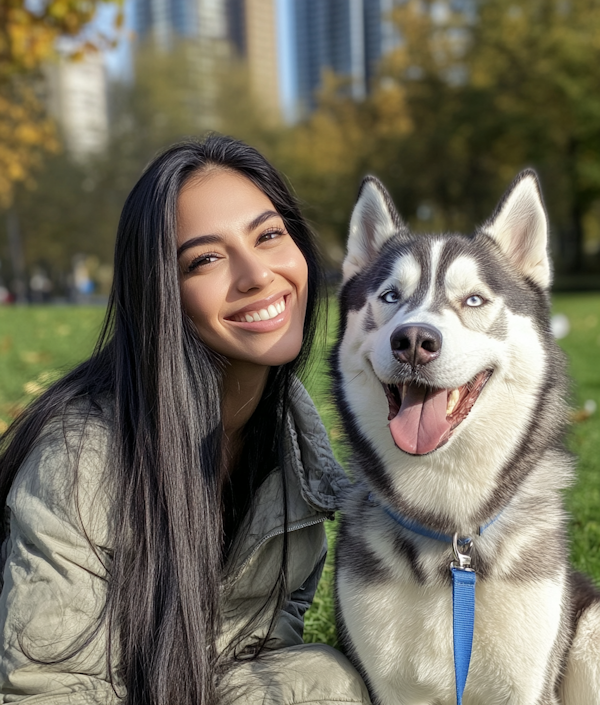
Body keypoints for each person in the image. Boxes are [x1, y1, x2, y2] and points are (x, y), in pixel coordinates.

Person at [0, 136, 371, 705]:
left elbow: (262, 648)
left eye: (269, 235)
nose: (256, 275)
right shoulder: (82, 458)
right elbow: (45, 690)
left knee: (323, 681)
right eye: (205, 259)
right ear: (161, 295)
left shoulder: (291, 439)